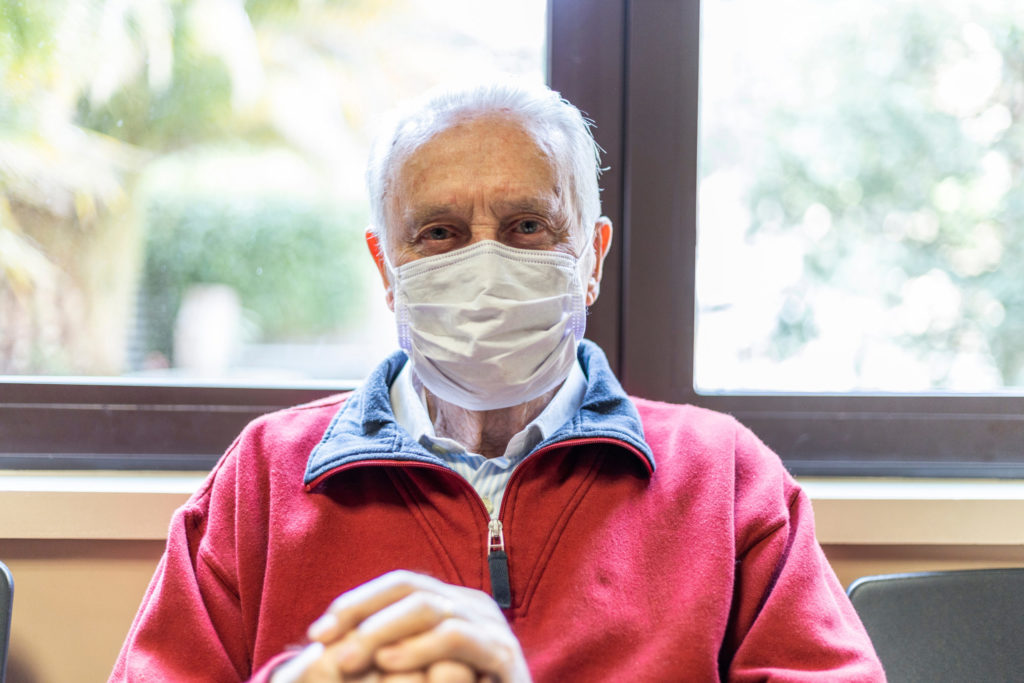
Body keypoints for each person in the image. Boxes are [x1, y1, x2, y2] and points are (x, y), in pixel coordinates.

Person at [111, 79, 885, 682]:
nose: (483, 265)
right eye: (440, 233)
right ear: (387, 268)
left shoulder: (723, 479)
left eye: (526, 227)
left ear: (590, 257)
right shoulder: (265, 477)